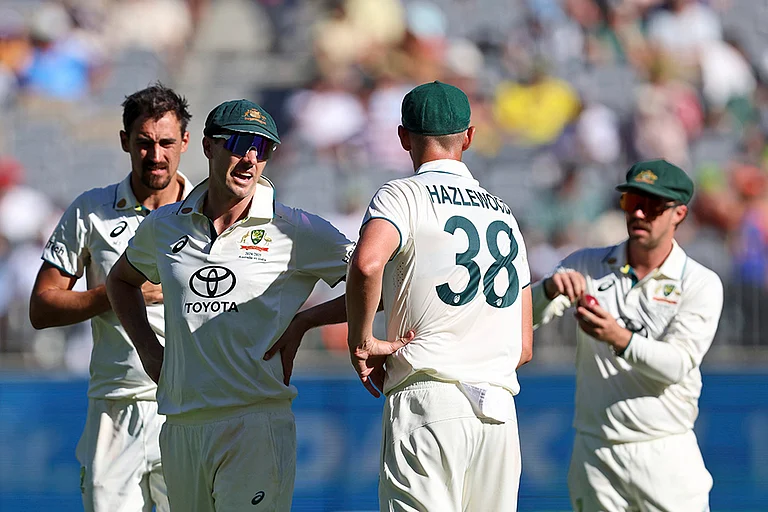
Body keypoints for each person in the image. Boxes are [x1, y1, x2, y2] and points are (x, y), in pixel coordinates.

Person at [105, 99, 401, 511]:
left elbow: (383, 286)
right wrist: (150, 351)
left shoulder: (295, 228)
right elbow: (120, 280)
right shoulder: (164, 224)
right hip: (180, 424)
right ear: (208, 147)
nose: (250, 158)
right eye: (240, 142)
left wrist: (306, 320)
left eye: (261, 148)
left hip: (255, 424)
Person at [346, 81, 534, 511]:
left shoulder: (401, 195)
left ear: (403, 137)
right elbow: (523, 347)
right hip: (499, 411)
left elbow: (367, 264)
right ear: (468, 136)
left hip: (429, 400)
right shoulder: (505, 213)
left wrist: (363, 342)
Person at [29, 83, 194, 512]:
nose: (155, 155)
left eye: (165, 143)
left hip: (188, 404)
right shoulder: (91, 209)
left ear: (186, 143)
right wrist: (116, 293)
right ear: (124, 141)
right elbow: (42, 306)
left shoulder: (207, 210)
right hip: (115, 406)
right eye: (143, 143)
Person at [532, 159, 722, 512]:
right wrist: (547, 290)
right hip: (597, 450)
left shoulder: (700, 282)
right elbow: (522, 321)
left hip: (666, 450)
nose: (638, 213)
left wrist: (618, 337)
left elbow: (677, 364)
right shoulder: (585, 264)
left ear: (679, 213)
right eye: (631, 202)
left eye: (652, 206)